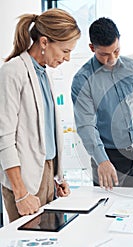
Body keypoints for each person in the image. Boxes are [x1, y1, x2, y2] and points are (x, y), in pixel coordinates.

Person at [0, 8, 81, 222]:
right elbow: (4, 138)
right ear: (44, 42)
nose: (67, 58)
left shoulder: (44, 74)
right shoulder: (12, 71)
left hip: (47, 174)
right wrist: (20, 193)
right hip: (24, 182)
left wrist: (57, 176)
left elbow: (45, 132)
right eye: (65, 50)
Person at [71, 17, 133, 189]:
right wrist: (102, 160)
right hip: (107, 156)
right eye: (104, 54)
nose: (112, 58)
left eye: (116, 51)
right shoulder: (83, 79)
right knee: (105, 211)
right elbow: (86, 125)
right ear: (92, 48)